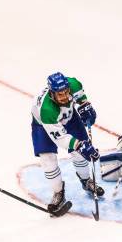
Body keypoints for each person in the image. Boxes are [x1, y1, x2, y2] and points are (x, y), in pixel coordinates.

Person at [31, 72, 103, 214]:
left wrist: (86, 107)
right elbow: (61, 138)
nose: (64, 97)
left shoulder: (74, 84)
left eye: (66, 92)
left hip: (69, 117)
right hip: (43, 125)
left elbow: (82, 100)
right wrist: (79, 145)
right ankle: (58, 193)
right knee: (48, 159)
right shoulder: (47, 110)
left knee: (80, 154)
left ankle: (86, 180)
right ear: (52, 94)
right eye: (60, 94)